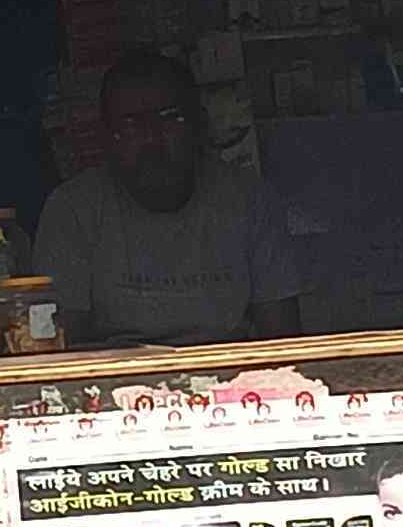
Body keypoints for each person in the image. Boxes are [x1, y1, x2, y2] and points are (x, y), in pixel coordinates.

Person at [31, 48, 303, 351]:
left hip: (231, 371)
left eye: (170, 118)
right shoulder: (73, 209)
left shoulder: (248, 199)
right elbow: (59, 344)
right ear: (106, 137)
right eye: (131, 124)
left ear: (199, 125)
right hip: (115, 373)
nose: (152, 138)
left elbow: (283, 338)